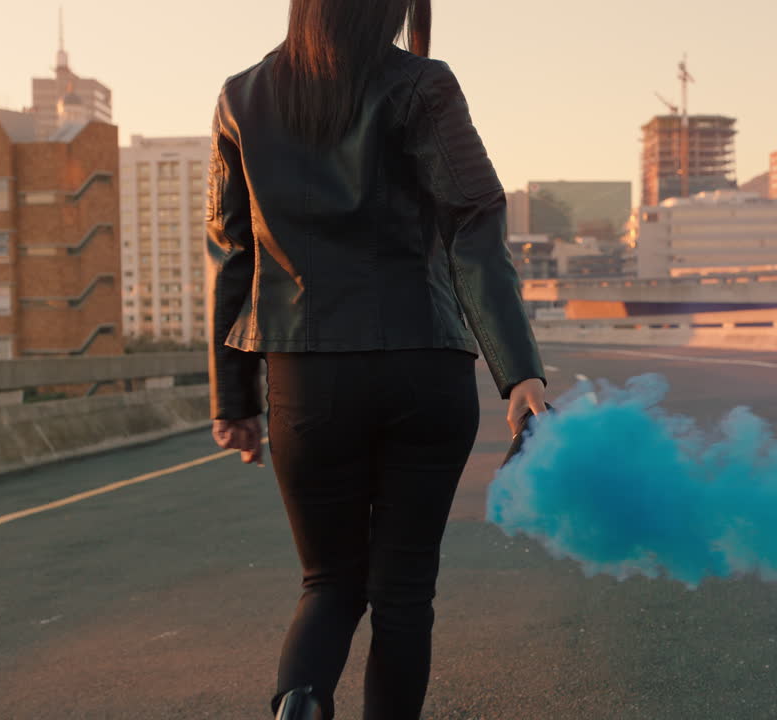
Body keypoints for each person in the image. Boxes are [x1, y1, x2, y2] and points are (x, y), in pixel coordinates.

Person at [204, 1, 549, 717]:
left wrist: (232, 402)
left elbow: (233, 256)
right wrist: (518, 372)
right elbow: (475, 224)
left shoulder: (240, 98)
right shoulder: (423, 85)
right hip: (424, 363)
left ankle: (299, 702)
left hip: (307, 376)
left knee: (329, 582)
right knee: (402, 595)